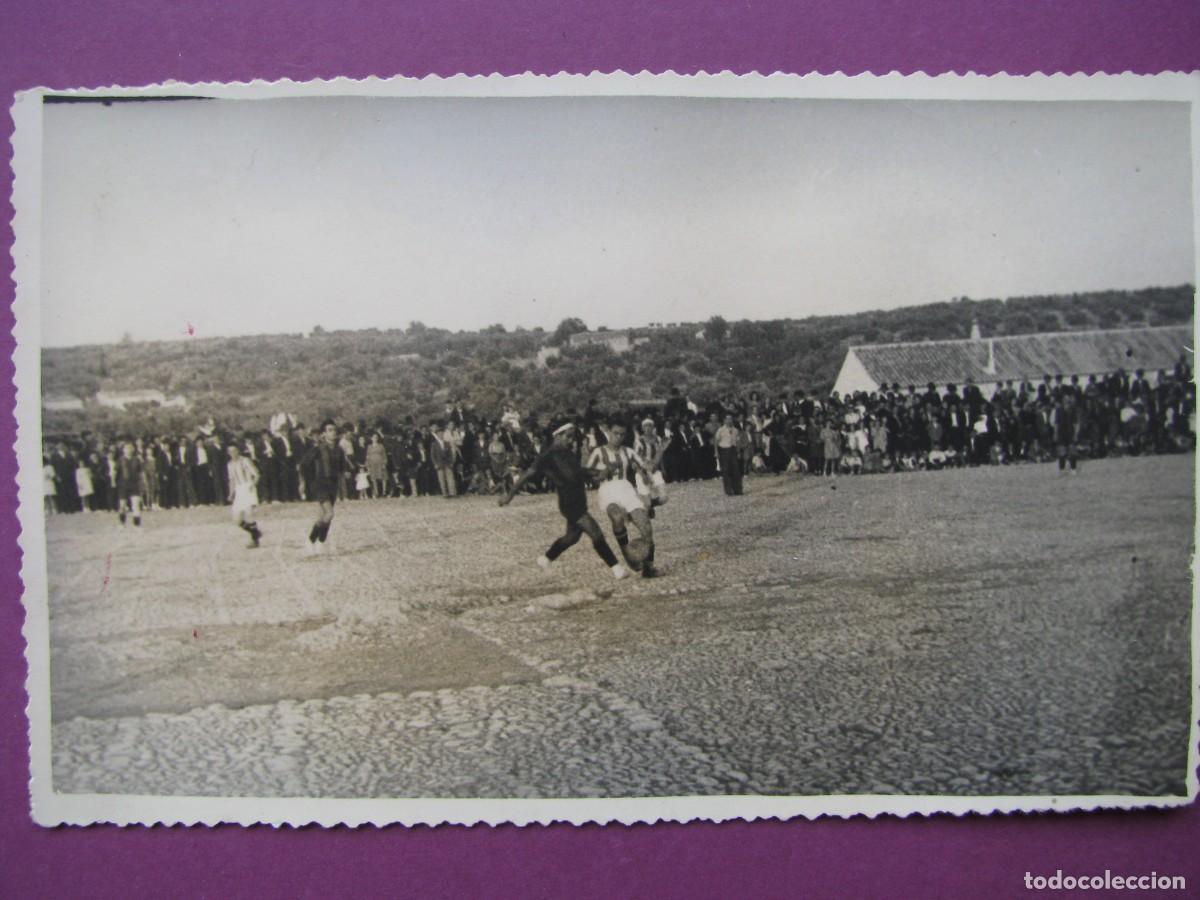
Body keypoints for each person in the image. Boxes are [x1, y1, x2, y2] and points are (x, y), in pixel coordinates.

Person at [499, 423, 628, 580]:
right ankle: (616, 568)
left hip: (579, 499)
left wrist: (600, 473)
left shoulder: (567, 453)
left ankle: (546, 559)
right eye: (567, 436)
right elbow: (527, 475)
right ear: (557, 435)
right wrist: (509, 496)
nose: (570, 440)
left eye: (572, 437)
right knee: (596, 533)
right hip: (569, 502)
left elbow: (579, 473)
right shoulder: (547, 456)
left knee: (572, 537)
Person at [586, 421, 659, 578]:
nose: (618, 437)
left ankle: (649, 567)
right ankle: (627, 553)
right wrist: (601, 474)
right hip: (608, 489)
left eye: (622, 434)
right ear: (609, 432)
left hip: (627, 488)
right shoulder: (599, 452)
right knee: (617, 518)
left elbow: (648, 467)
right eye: (615, 433)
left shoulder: (629, 451)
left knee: (646, 526)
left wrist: (659, 452)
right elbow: (587, 473)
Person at [301, 419, 349, 554]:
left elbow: (341, 467)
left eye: (334, 430)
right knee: (329, 513)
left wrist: (345, 473)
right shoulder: (318, 449)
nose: (333, 432)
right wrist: (305, 482)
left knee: (324, 516)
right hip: (320, 484)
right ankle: (310, 540)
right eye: (330, 430)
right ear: (324, 434)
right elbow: (304, 465)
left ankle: (320, 543)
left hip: (333, 485)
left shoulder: (339, 449)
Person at [226, 443, 263, 548]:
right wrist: (230, 494)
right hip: (239, 490)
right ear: (228, 453)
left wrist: (252, 485)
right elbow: (232, 480)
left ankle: (255, 541)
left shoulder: (245, 460)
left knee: (249, 514)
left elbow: (256, 474)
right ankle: (256, 533)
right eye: (230, 451)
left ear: (238, 451)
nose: (233, 453)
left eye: (235, 450)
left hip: (248, 487)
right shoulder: (229, 464)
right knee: (236, 519)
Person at [114, 441, 144, 529]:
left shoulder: (137, 460)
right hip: (123, 485)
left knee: (136, 505)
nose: (129, 450)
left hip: (134, 485)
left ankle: (137, 524)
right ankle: (122, 523)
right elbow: (115, 472)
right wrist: (114, 482)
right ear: (123, 450)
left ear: (133, 449)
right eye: (127, 448)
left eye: (130, 448)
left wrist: (142, 482)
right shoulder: (120, 460)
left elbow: (141, 473)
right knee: (122, 505)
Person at [714, 414, 743, 495]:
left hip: (733, 450)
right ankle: (728, 491)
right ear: (724, 420)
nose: (729, 421)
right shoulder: (720, 430)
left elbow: (738, 442)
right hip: (724, 450)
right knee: (726, 471)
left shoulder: (736, 430)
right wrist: (716, 452)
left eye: (731, 419)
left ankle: (738, 490)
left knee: (736, 470)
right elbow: (716, 442)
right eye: (728, 419)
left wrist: (738, 452)